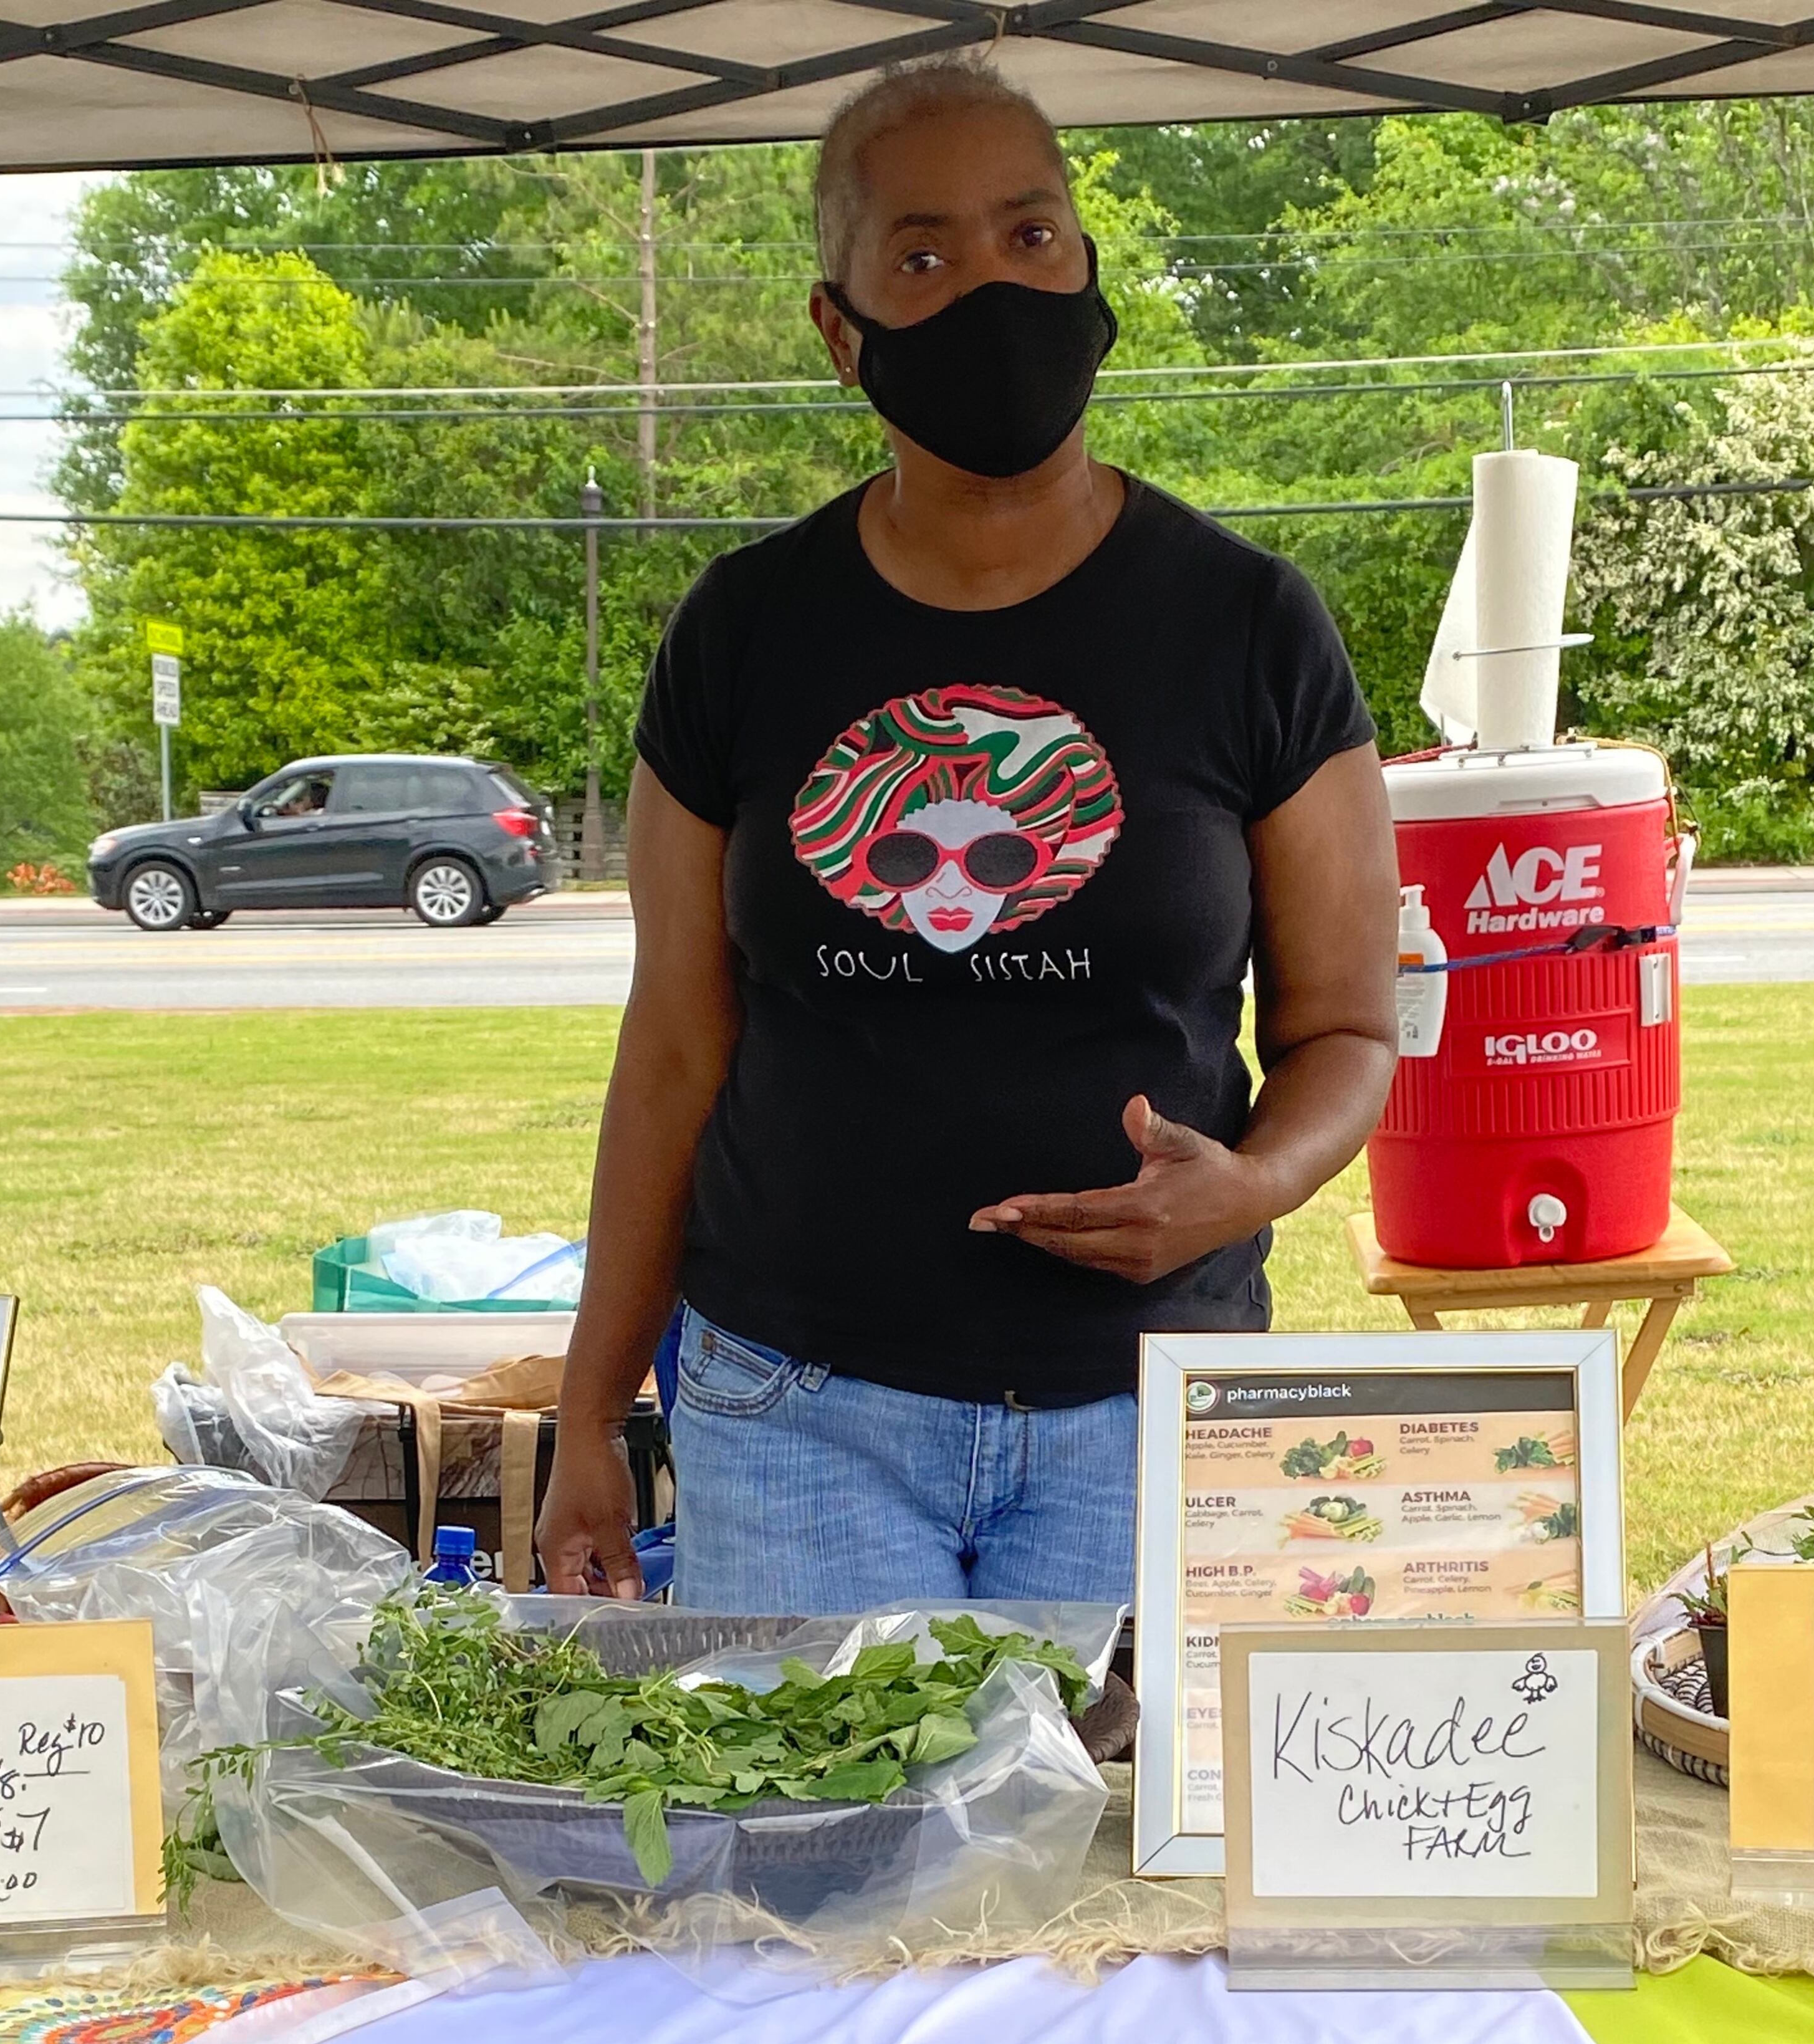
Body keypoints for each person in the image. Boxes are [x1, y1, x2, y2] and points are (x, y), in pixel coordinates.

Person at [537, 55, 1398, 1611]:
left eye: (1033, 235)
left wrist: (1255, 1184)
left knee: (1127, 1860)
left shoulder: (1251, 626)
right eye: (922, 257)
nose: (992, 288)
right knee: (819, 1856)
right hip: (799, 1411)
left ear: (1090, 267)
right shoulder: (744, 632)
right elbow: (672, 1045)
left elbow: (1348, 1029)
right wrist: (592, 1411)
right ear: (838, 326)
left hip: (1145, 1414)